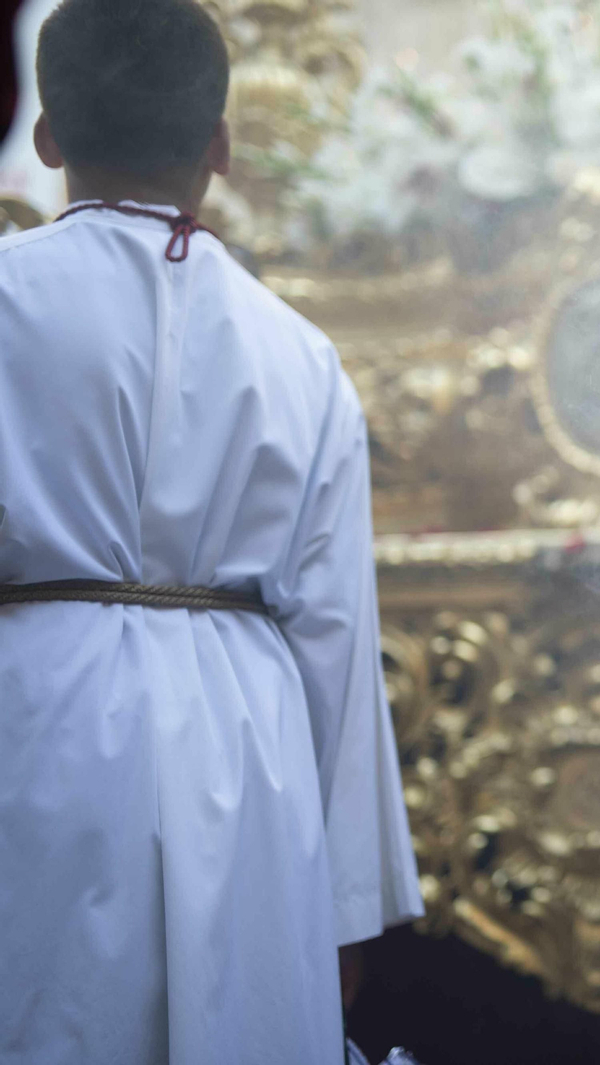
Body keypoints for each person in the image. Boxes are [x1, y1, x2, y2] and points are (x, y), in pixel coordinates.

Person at [0, 2, 422, 1063]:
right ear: (220, 147)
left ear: (48, 137)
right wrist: (344, 909)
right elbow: (334, 637)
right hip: (248, 751)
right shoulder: (301, 353)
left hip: (31, 719)